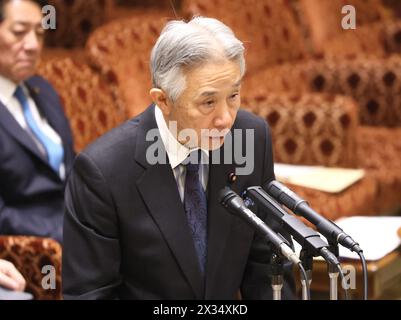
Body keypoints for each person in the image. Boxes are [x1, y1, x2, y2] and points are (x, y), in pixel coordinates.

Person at [62, 16, 295, 299]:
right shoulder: (102, 171)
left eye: (233, 96)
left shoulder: (250, 137)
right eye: (208, 102)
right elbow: (91, 294)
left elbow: (268, 266)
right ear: (163, 100)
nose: (225, 119)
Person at [0, 0, 75, 243]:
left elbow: (72, 169)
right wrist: (65, 230)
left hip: (78, 219)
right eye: (19, 32)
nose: (33, 45)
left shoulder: (43, 89)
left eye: (40, 33)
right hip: (38, 240)